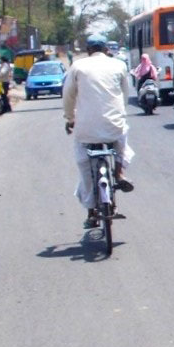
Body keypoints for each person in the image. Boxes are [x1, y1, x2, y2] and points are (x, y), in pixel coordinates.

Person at [63, 34, 135, 229]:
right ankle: (119, 172)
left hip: (85, 129)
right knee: (122, 138)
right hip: (114, 126)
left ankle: (91, 210)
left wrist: (70, 119)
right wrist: (121, 114)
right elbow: (125, 95)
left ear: (88, 51)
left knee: (84, 163)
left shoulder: (77, 67)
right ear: (105, 50)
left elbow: (68, 95)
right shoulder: (119, 65)